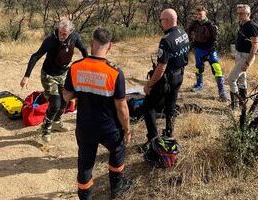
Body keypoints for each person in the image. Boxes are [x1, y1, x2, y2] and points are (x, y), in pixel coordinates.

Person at [63, 28, 132, 200]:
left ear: (91, 43)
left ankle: (85, 197)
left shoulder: (76, 67)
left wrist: (82, 90)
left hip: (85, 126)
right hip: (109, 127)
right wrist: (127, 128)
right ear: (110, 46)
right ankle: (116, 188)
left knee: (85, 162)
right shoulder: (115, 72)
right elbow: (121, 106)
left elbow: (67, 95)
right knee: (117, 151)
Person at [20, 18, 88, 142]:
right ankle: (45, 128)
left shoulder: (75, 37)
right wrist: (26, 76)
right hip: (49, 75)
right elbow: (35, 56)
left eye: (64, 34)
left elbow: (83, 49)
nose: (61, 35)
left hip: (64, 73)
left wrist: (89, 64)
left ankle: (56, 122)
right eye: (60, 32)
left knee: (65, 99)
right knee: (55, 103)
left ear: (70, 32)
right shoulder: (51, 40)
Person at [142, 9, 190, 149]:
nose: (160, 23)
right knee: (170, 105)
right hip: (179, 75)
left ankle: (153, 138)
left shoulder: (166, 40)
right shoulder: (183, 33)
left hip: (167, 79)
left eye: (161, 20)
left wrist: (149, 85)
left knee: (148, 106)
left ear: (167, 20)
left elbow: (161, 67)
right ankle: (169, 132)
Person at [186, 6, 228, 101]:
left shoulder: (211, 25)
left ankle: (222, 92)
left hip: (210, 50)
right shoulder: (194, 23)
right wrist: (190, 42)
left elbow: (216, 41)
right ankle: (199, 85)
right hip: (199, 49)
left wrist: (210, 52)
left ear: (205, 14)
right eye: (197, 14)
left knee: (217, 69)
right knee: (198, 68)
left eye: (200, 14)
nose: (198, 16)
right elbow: (187, 32)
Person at [228, 4, 258, 109]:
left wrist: (248, 62)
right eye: (238, 13)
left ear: (248, 14)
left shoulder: (252, 26)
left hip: (246, 56)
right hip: (239, 55)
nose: (239, 15)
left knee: (231, 79)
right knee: (241, 80)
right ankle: (242, 103)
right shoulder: (242, 24)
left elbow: (255, 45)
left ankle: (235, 105)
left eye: (241, 13)